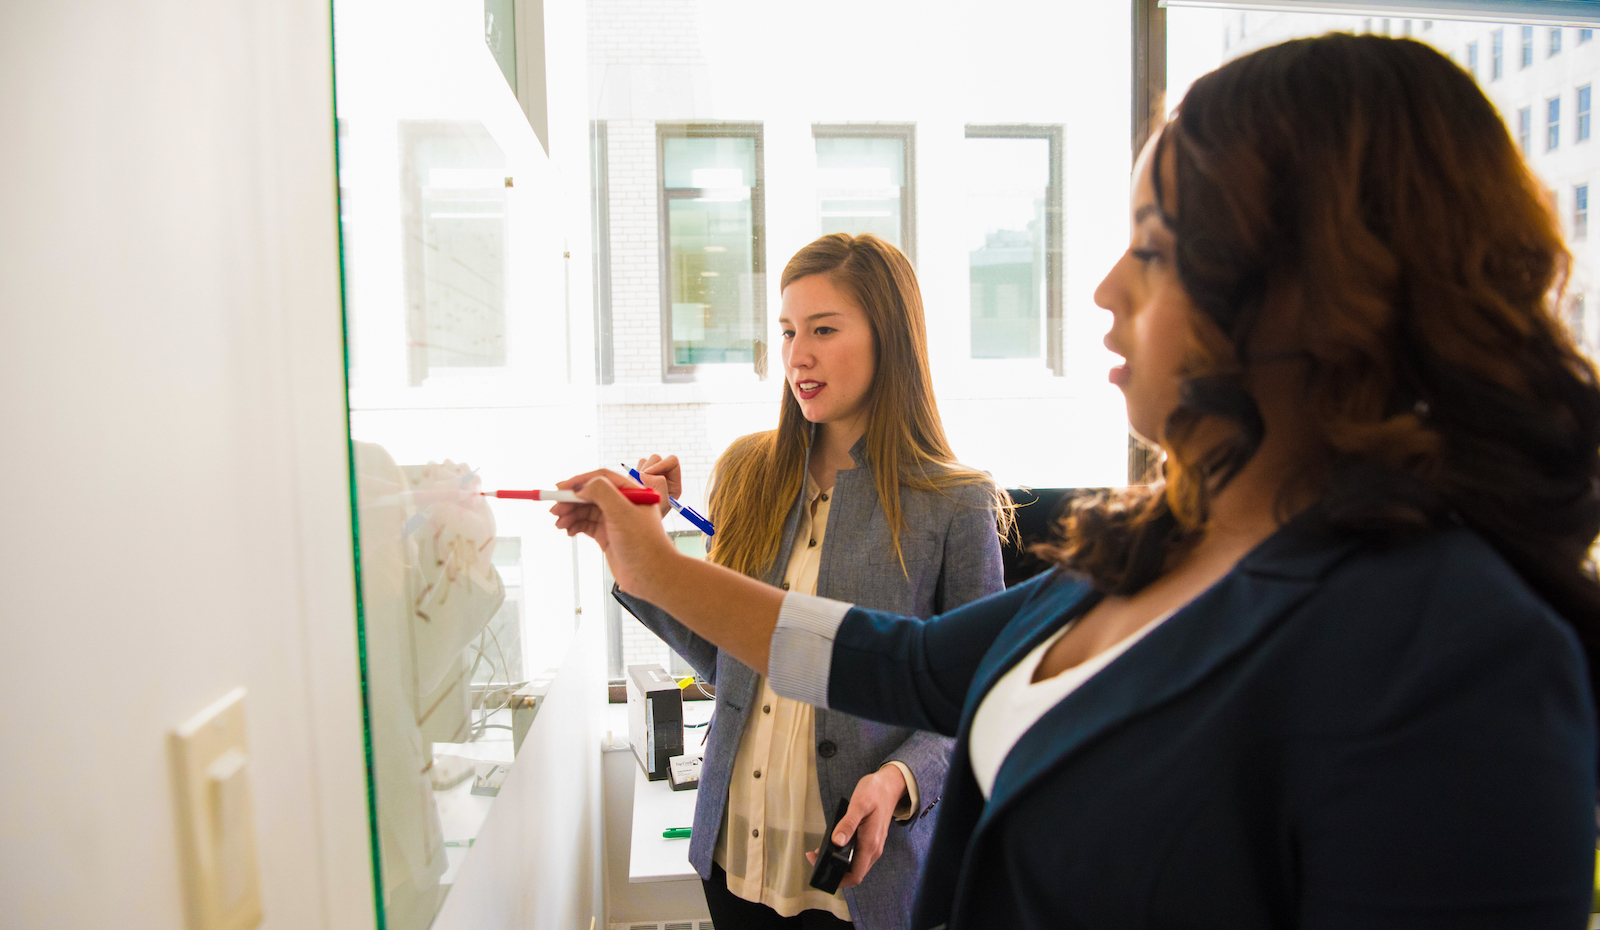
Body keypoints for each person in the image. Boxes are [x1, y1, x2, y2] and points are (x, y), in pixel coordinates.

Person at [558, 34, 1600, 929]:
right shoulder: (1153, 548)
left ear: (1314, 290)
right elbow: (908, 663)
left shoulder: (1459, 659)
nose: (1104, 290)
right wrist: (645, 561)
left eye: (1152, 248)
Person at [611, 233, 1010, 930]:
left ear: (890, 339)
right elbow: (725, 664)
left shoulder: (956, 501)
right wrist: (637, 549)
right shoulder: (747, 472)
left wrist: (899, 781)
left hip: (860, 878)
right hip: (735, 853)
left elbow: (979, 702)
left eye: (824, 329)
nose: (798, 355)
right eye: (789, 331)